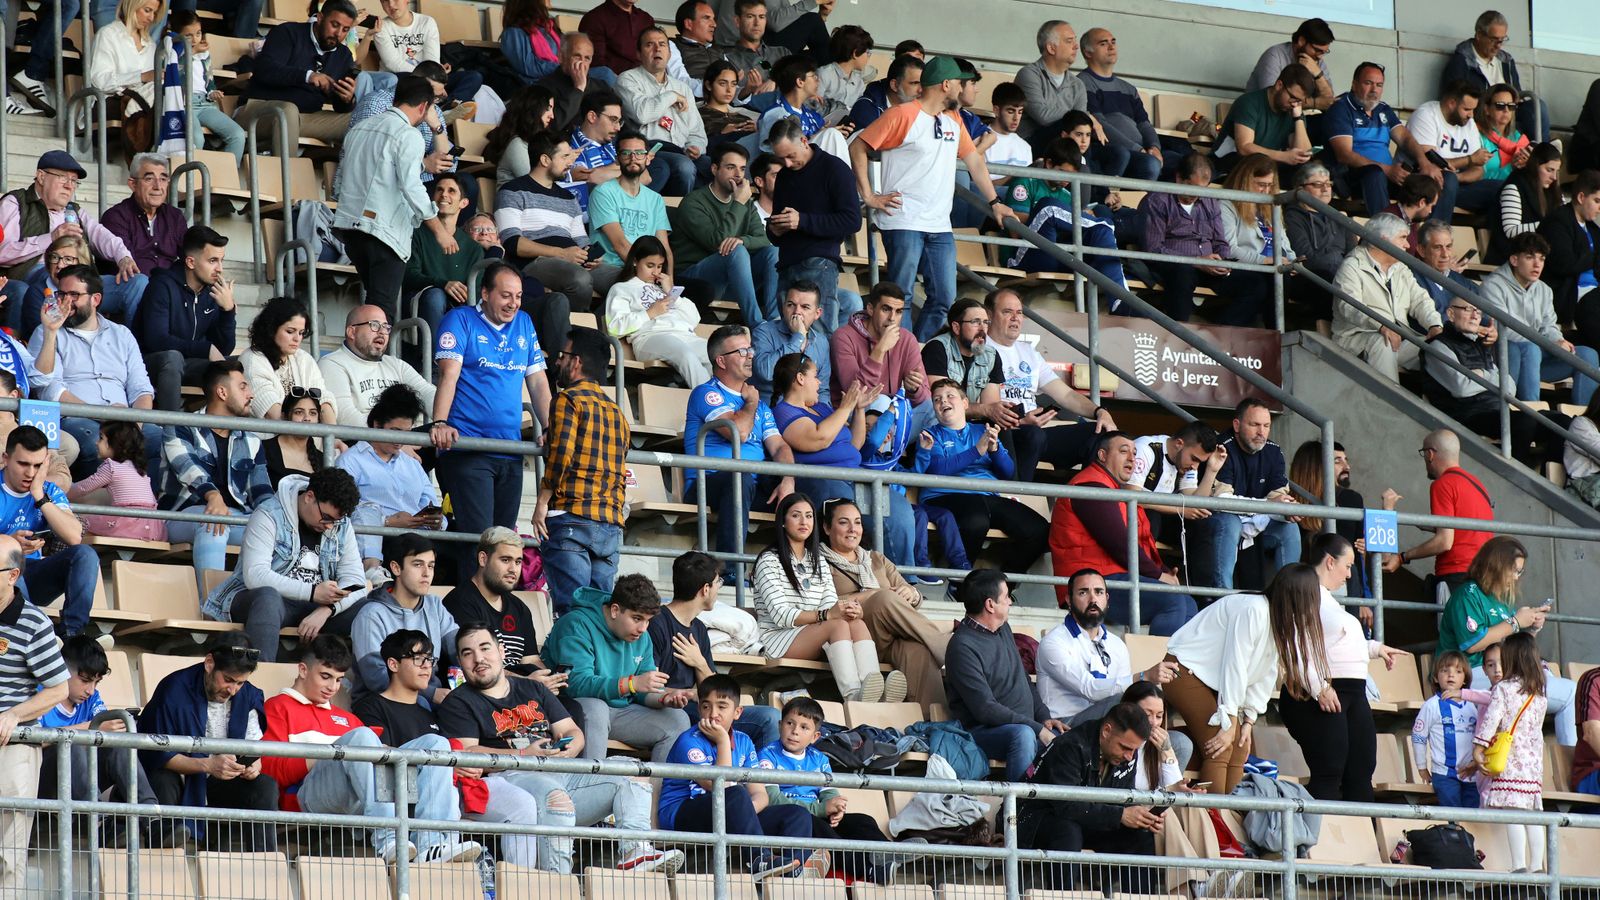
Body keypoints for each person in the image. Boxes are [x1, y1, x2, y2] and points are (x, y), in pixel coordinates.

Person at [439, 624, 687, 874]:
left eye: (485, 648)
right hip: (511, 777)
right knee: (556, 798)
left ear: (502, 652)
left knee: (631, 772)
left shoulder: (533, 688)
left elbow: (572, 731)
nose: (479, 658)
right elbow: (468, 754)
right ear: (460, 661)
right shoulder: (459, 700)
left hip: (559, 768)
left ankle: (635, 851)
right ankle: (558, 881)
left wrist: (569, 748)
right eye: (468, 653)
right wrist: (525, 755)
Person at [262, 634, 481, 863]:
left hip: (358, 798)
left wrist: (363, 751)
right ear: (303, 670)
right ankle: (388, 839)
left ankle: (432, 844)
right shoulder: (277, 707)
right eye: (325, 677)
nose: (332, 687)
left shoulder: (346, 718)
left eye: (338, 680)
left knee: (437, 743)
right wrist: (335, 752)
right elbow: (268, 771)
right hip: (306, 797)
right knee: (363, 737)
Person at [851, 56, 1016, 342]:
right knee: (898, 297)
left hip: (939, 224)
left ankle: (915, 353)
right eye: (960, 84)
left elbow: (974, 161)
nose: (963, 90)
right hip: (904, 220)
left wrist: (994, 202)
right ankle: (898, 358)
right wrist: (869, 195)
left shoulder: (953, 119)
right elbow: (858, 146)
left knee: (944, 298)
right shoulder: (902, 114)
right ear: (946, 84)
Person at [352, 628, 547, 868]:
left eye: (430, 660)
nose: (428, 667)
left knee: (520, 803)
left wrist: (458, 766)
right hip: (399, 794)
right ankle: (435, 853)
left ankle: (517, 886)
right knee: (446, 783)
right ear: (393, 664)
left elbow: (451, 752)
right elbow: (378, 758)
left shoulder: (429, 710)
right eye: (419, 659)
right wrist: (445, 763)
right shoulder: (370, 706)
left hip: (450, 789)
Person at [431, 262, 553, 575]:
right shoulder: (460, 319)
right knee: (479, 543)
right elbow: (449, 375)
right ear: (485, 293)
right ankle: (472, 617)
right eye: (505, 295)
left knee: (503, 544)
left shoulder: (524, 322)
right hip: (470, 450)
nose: (513, 303)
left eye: (518, 296)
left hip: (510, 451)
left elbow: (538, 382)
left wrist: (552, 428)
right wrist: (440, 423)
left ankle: (495, 615)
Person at [1166, 564, 1325, 794]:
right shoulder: (1254, 609)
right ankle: (1216, 822)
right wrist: (1230, 716)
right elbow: (1236, 663)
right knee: (1221, 746)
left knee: (1240, 747)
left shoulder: (1277, 618)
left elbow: (1264, 672)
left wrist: (1248, 720)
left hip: (1212, 680)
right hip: (1182, 668)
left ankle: (1231, 819)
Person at [1279, 533, 1402, 802]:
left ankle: (1361, 838)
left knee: (1360, 769)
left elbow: (1335, 639)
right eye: (1348, 566)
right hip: (1322, 691)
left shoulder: (1328, 600)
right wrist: (1319, 687)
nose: (1349, 575)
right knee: (1330, 770)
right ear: (1330, 562)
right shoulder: (1305, 590)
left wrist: (1375, 649)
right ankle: (1322, 839)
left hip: (1351, 692)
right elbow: (1296, 645)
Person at [658, 674, 813, 880]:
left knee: (797, 814)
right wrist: (722, 741)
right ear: (699, 709)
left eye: (722, 707)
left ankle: (791, 871)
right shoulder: (689, 740)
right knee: (736, 794)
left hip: (730, 811)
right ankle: (760, 859)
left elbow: (760, 794)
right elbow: (718, 786)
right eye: (706, 706)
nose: (713, 714)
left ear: (737, 712)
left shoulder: (744, 741)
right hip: (683, 812)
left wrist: (744, 811)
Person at [752, 492, 905, 701]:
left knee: (855, 622)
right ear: (782, 522)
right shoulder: (769, 560)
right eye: (796, 516)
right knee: (838, 625)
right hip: (778, 638)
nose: (804, 521)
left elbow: (831, 604)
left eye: (808, 516)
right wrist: (827, 615)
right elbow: (782, 616)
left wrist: (850, 611)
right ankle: (853, 695)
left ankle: (874, 692)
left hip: (812, 633)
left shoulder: (817, 561)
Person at [203, 468, 368, 660]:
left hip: (316, 606)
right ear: (309, 496)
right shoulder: (268, 514)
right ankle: (261, 680)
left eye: (336, 521)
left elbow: (356, 582)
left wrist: (328, 609)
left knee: (367, 608)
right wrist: (313, 592)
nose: (330, 526)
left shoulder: (342, 525)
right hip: (264, 601)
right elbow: (255, 576)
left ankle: (366, 686)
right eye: (327, 518)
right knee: (268, 597)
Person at [333, 75, 460, 321]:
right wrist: (439, 231)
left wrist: (422, 166)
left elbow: (343, 181)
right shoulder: (409, 135)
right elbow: (411, 187)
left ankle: (364, 354)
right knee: (382, 311)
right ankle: (369, 358)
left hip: (351, 228)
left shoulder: (359, 128)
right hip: (384, 232)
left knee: (375, 303)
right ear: (424, 107)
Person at [138, 635, 278, 851]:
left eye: (240, 683)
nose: (233, 690)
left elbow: (254, 748)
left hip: (220, 780)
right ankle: (164, 848)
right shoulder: (174, 689)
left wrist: (253, 766)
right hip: (181, 776)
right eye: (228, 680)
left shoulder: (248, 695)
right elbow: (157, 755)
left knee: (264, 786)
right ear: (209, 663)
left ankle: (261, 862)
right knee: (162, 779)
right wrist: (208, 765)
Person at [1048, 433, 1196, 636]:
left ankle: (1172, 664)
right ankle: (1158, 664)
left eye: (1135, 454)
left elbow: (1140, 543)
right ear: (1102, 455)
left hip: (1113, 576)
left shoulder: (1114, 489)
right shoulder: (1090, 486)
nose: (1131, 459)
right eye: (1124, 451)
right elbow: (1119, 544)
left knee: (1189, 605)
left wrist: (1165, 571)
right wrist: (1157, 575)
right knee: (1173, 600)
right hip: (1088, 583)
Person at [1436, 535, 1577, 747]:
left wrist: (1531, 629)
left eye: (1521, 571)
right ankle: (1574, 764)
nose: (1517, 577)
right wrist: (1515, 622)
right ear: (1497, 566)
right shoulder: (1468, 594)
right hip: (1467, 674)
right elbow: (1473, 644)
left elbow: (1509, 646)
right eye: (1515, 570)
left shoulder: (1500, 601)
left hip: (1501, 673)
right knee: (1569, 693)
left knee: (1567, 689)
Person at [27, 266, 162, 484]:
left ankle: (146, 509)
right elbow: (49, 390)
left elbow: (141, 388)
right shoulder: (45, 331)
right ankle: (92, 510)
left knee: (160, 440)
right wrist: (103, 414)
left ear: (95, 299)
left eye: (74, 295)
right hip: (76, 418)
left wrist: (135, 423)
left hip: (124, 419)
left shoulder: (122, 334)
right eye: (62, 294)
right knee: (95, 443)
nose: (65, 302)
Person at [682, 325, 798, 570]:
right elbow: (739, 433)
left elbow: (779, 447)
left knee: (805, 494)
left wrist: (788, 480)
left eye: (750, 349)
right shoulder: (707, 393)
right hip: (708, 484)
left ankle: (798, 571)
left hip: (749, 487)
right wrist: (751, 403)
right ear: (721, 361)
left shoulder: (761, 407)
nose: (750, 355)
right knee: (740, 478)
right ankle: (731, 570)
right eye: (742, 350)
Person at [541, 574, 692, 761]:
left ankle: (656, 790)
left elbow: (643, 690)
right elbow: (575, 684)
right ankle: (589, 784)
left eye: (648, 621)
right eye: (637, 618)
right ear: (614, 610)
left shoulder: (642, 637)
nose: (643, 628)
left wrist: (663, 698)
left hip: (619, 712)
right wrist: (631, 684)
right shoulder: (576, 624)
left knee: (677, 719)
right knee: (596, 708)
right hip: (570, 709)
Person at [533, 326, 630, 613]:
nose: (558, 362)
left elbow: (562, 456)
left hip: (572, 518)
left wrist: (542, 501)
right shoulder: (617, 412)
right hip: (609, 525)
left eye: (563, 356)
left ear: (576, 362)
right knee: (602, 618)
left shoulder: (567, 400)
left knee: (573, 613)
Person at [818, 498, 949, 708]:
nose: (853, 529)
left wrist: (911, 593)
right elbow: (823, 606)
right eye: (844, 522)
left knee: (919, 651)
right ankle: (947, 650)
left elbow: (911, 596)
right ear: (826, 527)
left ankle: (931, 720)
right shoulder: (819, 561)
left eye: (858, 522)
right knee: (885, 598)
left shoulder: (876, 559)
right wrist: (874, 595)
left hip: (891, 637)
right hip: (854, 636)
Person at [1021, 702, 1161, 893]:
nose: (1130, 756)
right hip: (1031, 819)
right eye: (1125, 747)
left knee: (1140, 834)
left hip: (1084, 820)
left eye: (1134, 750)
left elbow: (1124, 799)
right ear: (1106, 731)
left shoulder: (1128, 754)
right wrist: (1120, 815)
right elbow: (1066, 805)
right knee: (1067, 831)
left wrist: (1143, 816)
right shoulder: (1071, 745)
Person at [915, 378, 1049, 575]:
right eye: (937, 399)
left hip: (986, 496)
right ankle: (962, 580)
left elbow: (1008, 472)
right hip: (943, 496)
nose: (943, 401)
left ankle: (1003, 584)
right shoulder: (930, 434)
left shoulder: (982, 430)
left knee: (1039, 530)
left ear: (965, 403)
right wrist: (977, 451)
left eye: (950, 396)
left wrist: (994, 450)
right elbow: (936, 470)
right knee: (977, 519)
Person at [0, 152, 144, 331]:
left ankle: (131, 349)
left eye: (74, 181)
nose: (69, 186)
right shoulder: (16, 203)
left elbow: (102, 235)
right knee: (56, 277)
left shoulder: (74, 211)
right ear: (41, 176)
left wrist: (123, 256)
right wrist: (50, 238)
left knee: (137, 283)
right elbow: (2, 253)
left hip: (80, 278)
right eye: (62, 178)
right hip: (36, 275)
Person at [944, 568, 1066, 780]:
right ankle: (1017, 809)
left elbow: (1024, 681)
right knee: (1024, 735)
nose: (1010, 602)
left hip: (1026, 726)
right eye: (1006, 597)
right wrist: (1036, 729)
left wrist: (1044, 718)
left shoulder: (1003, 628)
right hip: (982, 733)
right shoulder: (962, 646)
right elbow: (985, 709)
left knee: (1072, 740)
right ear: (990, 605)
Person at [160, 360, 270, 591]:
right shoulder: (181, 425)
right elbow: (187, 468)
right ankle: (211, 611)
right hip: (183, 515)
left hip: (236, 517)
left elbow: (261, 490)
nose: (251, 394)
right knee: (212, 523)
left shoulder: (251, 439)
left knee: (275, 532)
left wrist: (277, 520)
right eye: (243, 387)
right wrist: (213, 496)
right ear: (222, 392)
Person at [652, 551, 780, 747]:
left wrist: (700, 663)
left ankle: (760, 776)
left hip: (700, 707)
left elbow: (711, 689)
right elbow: (647, 685)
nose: (718, 589)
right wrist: (683, 693)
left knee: (770, 717)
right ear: (705, 589)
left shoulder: (699, 629)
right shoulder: (656, 623)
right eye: (718, 583)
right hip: (666, 709)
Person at [985, 288, 1112, 481]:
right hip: (1002, 432)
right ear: (989, 315)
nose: (1015, 318)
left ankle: (1084, 501)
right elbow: (979, 405)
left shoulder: (1028, 352)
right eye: (1007, 312)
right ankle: (1019, 497)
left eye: (1019, 313)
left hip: (1035, 432)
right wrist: (1020, 422)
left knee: (1099, 434)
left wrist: (1100, 412)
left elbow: (1066, 395)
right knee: (1033, 435)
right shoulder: (981, 349)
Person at [498, 130, 622, 322]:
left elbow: (581, 241)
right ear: (545, 160)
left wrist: (589, 255)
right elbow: (513, 243)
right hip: (534, 263)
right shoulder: (513, 190)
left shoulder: (569, 197)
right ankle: (570, 335)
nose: (570, 162)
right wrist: (561, 254)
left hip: (573, 261)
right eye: (564, 156)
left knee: (630, 279)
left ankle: (595, 325)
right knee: (579, 279)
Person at [0, 533, 64, 887]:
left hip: (14, 745)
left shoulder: (34, 623)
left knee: (7, 854)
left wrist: (14, 714)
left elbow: (59, 689)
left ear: (12, 575)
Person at [1037, 568, 1182, 723]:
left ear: (1106, 598)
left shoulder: (1116, 644)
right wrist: (1144, 677)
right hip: (1065, 724)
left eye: (1099, 592)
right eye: (1083, 593)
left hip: (1110, 723)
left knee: (1181, 742)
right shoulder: (1054, 642)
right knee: (1121, 703)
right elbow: (1089, 688)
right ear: (1069, 600)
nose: (1093, 599)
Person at [1188, 398, 1301, 591]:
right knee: (1230, 522)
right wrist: (1269, 505)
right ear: (1237, 425)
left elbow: (1280, 498)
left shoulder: (1273, 451)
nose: (1261, 432)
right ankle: (1223, 598)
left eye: (1266, 426)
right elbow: (1221, 501)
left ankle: (1287, 599)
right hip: (1216, 522)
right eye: (1254, 424)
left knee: (1289, 528)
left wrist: (1287, 509)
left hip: (1256, 523)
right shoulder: (1222, 447)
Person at [1481, 232, 1599, 407]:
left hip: (1537, 357)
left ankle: (1585, 420)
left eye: (1542, 259)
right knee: (1531, 348)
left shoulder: (1544, 290)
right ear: (1514, 260)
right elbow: (1504, 330)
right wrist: (1549, 344)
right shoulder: (1493, 286)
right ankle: (1532, 412)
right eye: (1530, 257)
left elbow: (1548, 325)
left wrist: (1558, 340)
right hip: (1504, 357)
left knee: (1587, 355)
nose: (1537, 264)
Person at [767, 117, 864, 330]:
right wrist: (774, 229)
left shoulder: (834, 169)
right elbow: (778, 223)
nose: (788, 164)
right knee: (788, 334)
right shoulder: (784, 175)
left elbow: (853, 220)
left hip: (819, 262)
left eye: (790, 156)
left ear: (803, 140)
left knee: (818, 333)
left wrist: (802, 220)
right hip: (786, 263)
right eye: (781, 158)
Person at [1322, 62, 1453, 217]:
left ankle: (1432, 233)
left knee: (1438, 177)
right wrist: (1387, 169)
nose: (1374, 90)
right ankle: (1385, 230)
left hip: (1388, 175)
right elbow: (1345, 155)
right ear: (1354, 84)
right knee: (1375, 173)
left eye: (1379, 85)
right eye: (1368, 83)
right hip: (1356, 177)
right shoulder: (1341, 108)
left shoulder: (1383, 109)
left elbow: (1404, 138)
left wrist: (1425, 163)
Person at [234, 0, 359, 155]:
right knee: (288, 111)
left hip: (307, 117)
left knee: (360, 120)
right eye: (334, 25)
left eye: (345, 29)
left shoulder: (343, 55)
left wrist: (347, 99)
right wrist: (307, 76)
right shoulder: (288, 32)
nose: (338, 33)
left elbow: (339, 107)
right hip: (258, 110)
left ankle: (333, 173)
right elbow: (264, 70)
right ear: (320, 18)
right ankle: (286, 175)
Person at [337, 385, 439, 573]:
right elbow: (342, 512)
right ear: (376, 424)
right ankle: (371, 572)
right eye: (395, 430)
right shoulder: (350, 460)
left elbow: (430, 502)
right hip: (380, 537)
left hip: (420, 538)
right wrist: (388, 522)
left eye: (406, 433)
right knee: (367, 510)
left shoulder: (412, 463)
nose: (400, 439)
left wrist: (436, 520)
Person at [672, 144, 778, 325]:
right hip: (697, 280)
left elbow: (765, 240)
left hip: (733, 282)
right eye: (731, 167)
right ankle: (758, 325)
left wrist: (743, 240)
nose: (738, 174)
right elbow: (718, 243)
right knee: (736, 251)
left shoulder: (746, 203)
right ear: (714, 169)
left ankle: (775, 319)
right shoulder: (694, 202)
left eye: (742, 169)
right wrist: (738, 203)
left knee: (773, 252)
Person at [136, 225, 238, 413]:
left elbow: (222, 349)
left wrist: (228, 310)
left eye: (221, 261)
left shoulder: (211, 293)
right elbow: (156, 340)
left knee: (240, 364)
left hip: (190, 364)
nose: (220, 269)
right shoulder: (162, 286)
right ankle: (170, 432)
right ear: (191, 262)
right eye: (213, 260)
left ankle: (230, 433)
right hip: (151, 363)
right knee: (172, 358)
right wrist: (204, 348)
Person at [1332, 212, 1444, 380]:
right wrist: (1381, 325)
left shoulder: (1400, 267)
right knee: (1384, 343)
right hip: (1357, 340)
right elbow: (1348, 307)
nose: (1407, 245)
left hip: (1400, 338)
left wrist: (1434, 325)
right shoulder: (1352, 267)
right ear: (1384, 240)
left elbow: (1420, 300)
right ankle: (1388, 405)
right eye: (1403, 237)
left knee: (1440, 347)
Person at [348, 533, 458, 703]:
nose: (426, 573)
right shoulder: (371, 614)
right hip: (382, 704)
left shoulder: (434, 605)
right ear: (396, 568)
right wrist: (431, 693)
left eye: (431, 566)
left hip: (429, 700)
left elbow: (459, 647)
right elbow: (377, 677)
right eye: (417, 564)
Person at [1472, 631, 1549, 871]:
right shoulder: (1539, 693)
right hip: (1533, 763)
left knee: (1513, 813)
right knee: (1533, 816)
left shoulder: (1504, 688)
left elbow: (1491, 720)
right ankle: (1537, 867)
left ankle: (1519, 866)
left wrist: (1479, 747)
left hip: (1511, 760)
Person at [400, 175, 485, 366]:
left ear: (464, 203)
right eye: (439, 190)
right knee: (435, 296)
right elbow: (408, 275)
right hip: (418, 303)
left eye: (451, 191)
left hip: (456, 310)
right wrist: (442, 284)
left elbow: (477, 291)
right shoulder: (416, 233)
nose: (443, 195)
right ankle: (433, 366)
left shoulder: (473, 248)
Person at [606, 236, 710, 386]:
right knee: (686, 355)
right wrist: (649, 313)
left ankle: (723, 401)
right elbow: (615, 327)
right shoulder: (621, 288)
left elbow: (694, 319)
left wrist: (672, 293)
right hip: (650, 338)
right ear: (635, 261)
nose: (655, 272)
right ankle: (712, 405)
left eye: (660, 266)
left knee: (716, 355)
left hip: (683, 334)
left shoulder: (663, 289)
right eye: (650, 265)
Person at [1142, 154, 1234, 322]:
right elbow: (1154, 249)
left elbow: (1220, 241)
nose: (1196, 195)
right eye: (1193, 188)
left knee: (1254, 283)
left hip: (1210, 267)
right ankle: (1179, 336)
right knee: (1182, 274)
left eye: (1202, 189)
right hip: (1176, 265)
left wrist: (1224, 261)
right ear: (1179, 178)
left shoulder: (1210, 201)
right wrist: (1196, 260)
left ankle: (1222, 335)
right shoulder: (1158, 200)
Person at [616, 27, 704, 197]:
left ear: (670, 53)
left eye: (662, 44)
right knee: (684, 167)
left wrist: (695, 147)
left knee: (713, 166)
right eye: (650, 45)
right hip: (647, 150)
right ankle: (675, 215)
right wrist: (671, 96)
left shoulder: (682, 88)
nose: (657, 49)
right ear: (638, 54)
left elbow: (697, 131)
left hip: (680, 150)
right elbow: (642, 114)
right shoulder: (627, 79)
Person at [443, 528, 546, 672]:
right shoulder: (460, 602)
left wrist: (549, 680)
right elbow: (478, 667)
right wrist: (527, 683)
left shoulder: (519, 607)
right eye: (505, 560)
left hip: (524, 688)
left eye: (518, 562)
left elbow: (531, 659)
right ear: (483, 559)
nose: (513, 569)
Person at [317, 305, 437, 427]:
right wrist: (395, 436)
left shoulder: (396, 365)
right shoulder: (332, 363)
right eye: (374, 325)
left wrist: (444, 420)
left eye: (386, 327)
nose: (382, 332)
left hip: (405, 437)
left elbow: (428, 393)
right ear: (352, 332)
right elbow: (345, 417)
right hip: (363, 441)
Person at [773, 354, 870, 503]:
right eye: (815, 376)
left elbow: (854, 444)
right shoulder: (783, 412)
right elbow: (818, 438)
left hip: (855, 478)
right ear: (800, 378)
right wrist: (845, 408)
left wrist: (859, 409)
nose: (819, 382)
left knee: (898, 511)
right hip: (828, 482)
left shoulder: (822, 408)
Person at [1441, 10, 1548, 142]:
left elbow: (1517, 94)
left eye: (1502, 40)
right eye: (1494, 40)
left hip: (1508, 116)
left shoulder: (1506, 61)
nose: (1498, 45)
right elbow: (1454, 99)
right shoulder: (1461, 62)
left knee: (1536, 106)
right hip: (1481, 116)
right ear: (1479, 35)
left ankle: (1543, 151)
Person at [1215, 154, 1292, 327]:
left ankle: (1276, 335)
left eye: (1270, 186)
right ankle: (1274, 334)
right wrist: (1265, 261)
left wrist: (1293, 261)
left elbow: (1284, 242)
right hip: (1245, 267)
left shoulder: (1272, 207)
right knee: (1262, 284)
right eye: (1261, 185)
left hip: (1275, 267)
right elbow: (1229, 248)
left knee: (1287, 277)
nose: (1265, 191)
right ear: (1245, 181)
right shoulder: (1227, 204)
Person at [1074, 28, 1160, 182]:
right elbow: (1101, 126)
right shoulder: (1082, 83)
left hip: (1141, 149)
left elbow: (1144, 124)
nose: (1111, 47)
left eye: (1113, 42)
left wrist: (1154, 147)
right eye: (1103, 43)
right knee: (1151, 164)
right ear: (1088, 53)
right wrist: (1139, 150)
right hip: (1112, 149)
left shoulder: (1129, 88)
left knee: (1182, 162)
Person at [1409, 81, 1501, 213]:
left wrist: (1458, 177)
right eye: (1467, 109)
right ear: (1452, 103)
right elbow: (1429, 165)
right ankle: (1436, 231)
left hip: (1453, 185)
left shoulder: (1469, 123)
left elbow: (1478, 170)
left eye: (1473, 110)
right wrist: (1469, 159)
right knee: (1448, 179)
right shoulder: (1426, 115)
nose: (1471, 115)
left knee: (1505, 188)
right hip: (1423, 183)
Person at [239, 296, 335, 422]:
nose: (297, 339)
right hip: (267, 438)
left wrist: (332, 437)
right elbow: (272, 413)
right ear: (271, 329)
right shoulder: (252, 360)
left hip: (307, 435)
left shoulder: (304, 358)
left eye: (301, 333)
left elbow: (323, 399)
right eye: (290, 331)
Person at [590, 131, 674, 269]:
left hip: (647, 271)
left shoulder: (655, 199)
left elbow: (664, 248)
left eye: (640, 153)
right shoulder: (603, 192)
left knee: (703, 289)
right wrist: (647, 277)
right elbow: (620, 244)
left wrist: (669, 282)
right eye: (626, 153)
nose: (633, 158)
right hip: (611, 267)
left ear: (647, 159)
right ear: (617, 159)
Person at [67, 421, 163, 541]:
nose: (97, 443)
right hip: (151, 526)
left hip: (127, 524)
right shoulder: (138, 468)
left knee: (73, 522)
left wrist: (60, 494)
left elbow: (83, 488)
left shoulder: (111, 467)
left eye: (101, 438)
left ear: (115, 443)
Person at [1284, 163, 1354, 324]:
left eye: (1328, 184)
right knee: (1329, 281)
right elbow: (1305, 257)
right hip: (1309, 277)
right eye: (1317, 184)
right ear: (1300, 189)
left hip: (1339, 276)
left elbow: (1353, 255)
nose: (1325, 189)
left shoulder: (1340, 218)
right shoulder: (1292, 218)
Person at [1412, 650, 1481, 807]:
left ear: (1465, 679)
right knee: (1452, 817)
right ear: (1436, 677)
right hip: (1444, 775)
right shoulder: (1431, 706)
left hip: (1471, 774)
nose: (1451, 675)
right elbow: (1418, 736)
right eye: (1445, 671)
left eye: (1458, 671)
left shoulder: (1472, 706)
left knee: (1473, 819)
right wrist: (1422, 767)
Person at [100, 154, 188, 279]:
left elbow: (190, 256)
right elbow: (130, 269)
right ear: (133, 184)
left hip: (168, 288)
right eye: (149, 179)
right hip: (133, 288)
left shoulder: (175, 217)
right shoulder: (116, 217)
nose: (158, 187)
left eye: (163, 179)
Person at [1216, 64, 1316, 172]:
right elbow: (1244, 148)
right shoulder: (1249, 102)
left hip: (1264, 169)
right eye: (1293, 98)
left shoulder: (1294, 110)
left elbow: (1302, 155)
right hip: (1229, 165)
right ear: (1279, 85)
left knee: (1304, 173)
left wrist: (1298, 119)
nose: (1295, 104)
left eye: (1300, 101)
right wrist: (1283, 156)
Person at [1538, 170, 1600, 333]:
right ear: (1581, 197)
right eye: (1597, 201)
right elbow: (1564, 264)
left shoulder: (1593, 229)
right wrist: (1595, 257)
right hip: (1571, 296)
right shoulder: (1557, 222)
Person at [753, 282, 829, 404]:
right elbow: (766, 373)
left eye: (805, 307)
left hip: (807, 413)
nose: (796, 312)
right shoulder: (764, 331)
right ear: (783, 308)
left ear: (817, 313)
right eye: (791, 305)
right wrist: (798, 338)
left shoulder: (821, 342)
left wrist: (824, 416)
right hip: (771, 411)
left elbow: (823, 390)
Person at [1245, 17, 1336, 111]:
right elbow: (1274, 99)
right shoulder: (1275, 55)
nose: (1320, 57)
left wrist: (1318, 74)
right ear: (1301, 41)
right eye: (1317, 50)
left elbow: (1328, 101)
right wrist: (1314, 103)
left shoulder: (1316, 62)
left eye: (1324, 52)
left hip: (1293, 118)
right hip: (1260, 114)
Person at [1494, 142, 1562, 263]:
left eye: (1556, 171)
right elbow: (1511, 231)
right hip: (1514, 257)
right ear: (1535, 166)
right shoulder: (1514, 187)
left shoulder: (1553, 192)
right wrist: (1547, 224)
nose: (1554, 177)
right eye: (1549, 170)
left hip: (1542, 255)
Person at [718, 0, 787, 100]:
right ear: (738, 21)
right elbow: (726, 97)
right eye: (750, 16)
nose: (757, 23)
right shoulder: (727, 58)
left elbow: (800, 79)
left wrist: (776, 81)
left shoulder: (782, 52)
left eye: (761, 17)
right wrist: (747, 90)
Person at [263, 389, 325, 488]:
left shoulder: (323, 459)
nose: (307, 418)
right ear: (285, 417)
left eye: (313, 413)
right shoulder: (263, 449)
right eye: (299, 412)